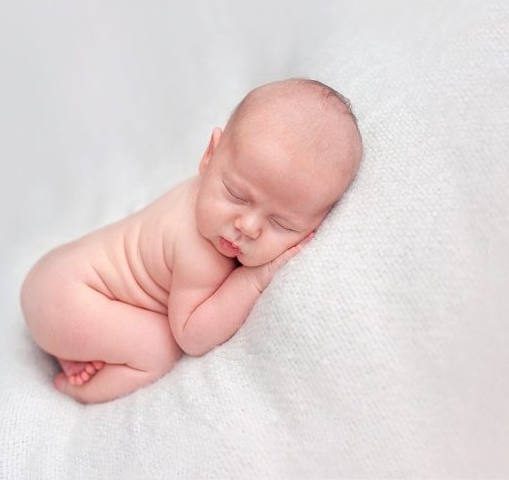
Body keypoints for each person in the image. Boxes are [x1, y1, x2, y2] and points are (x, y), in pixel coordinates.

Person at [20, 78, 363, 404]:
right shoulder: (199, 251)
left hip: (57, 277)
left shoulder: (208, 196)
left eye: (280, 223)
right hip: (67, 297)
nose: (246, 226)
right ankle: (77, 389)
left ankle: (78, 347)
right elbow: (192, 335)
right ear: (209, 156)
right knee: (159, 348)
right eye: (237, 195)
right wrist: (255, 278)